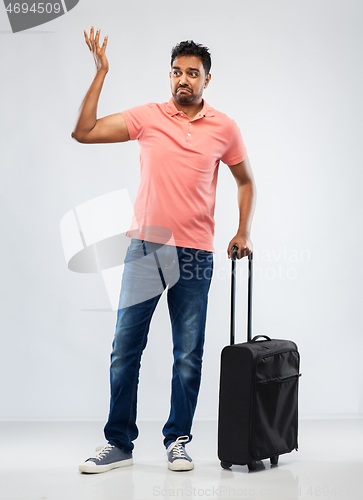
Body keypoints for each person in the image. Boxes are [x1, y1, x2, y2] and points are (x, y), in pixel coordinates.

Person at [73, 26, 256, 474]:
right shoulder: (148, 117)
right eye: (177, 72)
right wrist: (101, 73)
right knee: (124, 349)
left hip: (196, 254)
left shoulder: (224, 128)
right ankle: (118, 442)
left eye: (192, 73)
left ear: (206, 80)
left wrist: (243, 231)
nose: (183, 80)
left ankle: (178, 440)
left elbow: (246, 180)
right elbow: (84, 132)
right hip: (145, 250)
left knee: (187, 354)